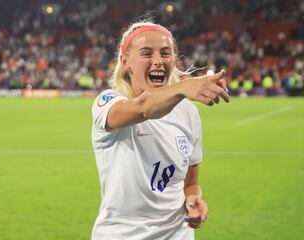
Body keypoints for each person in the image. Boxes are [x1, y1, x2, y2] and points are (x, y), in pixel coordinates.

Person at [91, 20, 230, 240]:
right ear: (125, 61)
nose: (158, 61)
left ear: (174, 60)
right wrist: (183, 86)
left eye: (166, 53)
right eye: (146, 53)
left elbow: (191, 184)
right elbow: (145, 108)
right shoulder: (108, 103)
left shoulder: (188, 113)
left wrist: (194, 200)